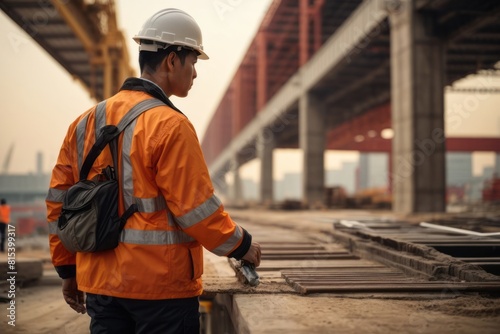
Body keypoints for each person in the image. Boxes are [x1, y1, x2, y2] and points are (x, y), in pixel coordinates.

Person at [46, 8, 261, 334]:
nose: (195, 73)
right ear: (172, 60)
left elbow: (59, 204)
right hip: (161, 292)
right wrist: (241, 245)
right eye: (193, 61)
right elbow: (196, 209)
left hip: (101, 287)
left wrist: (67, 270)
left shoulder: (84, 123)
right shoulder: (171, 125)